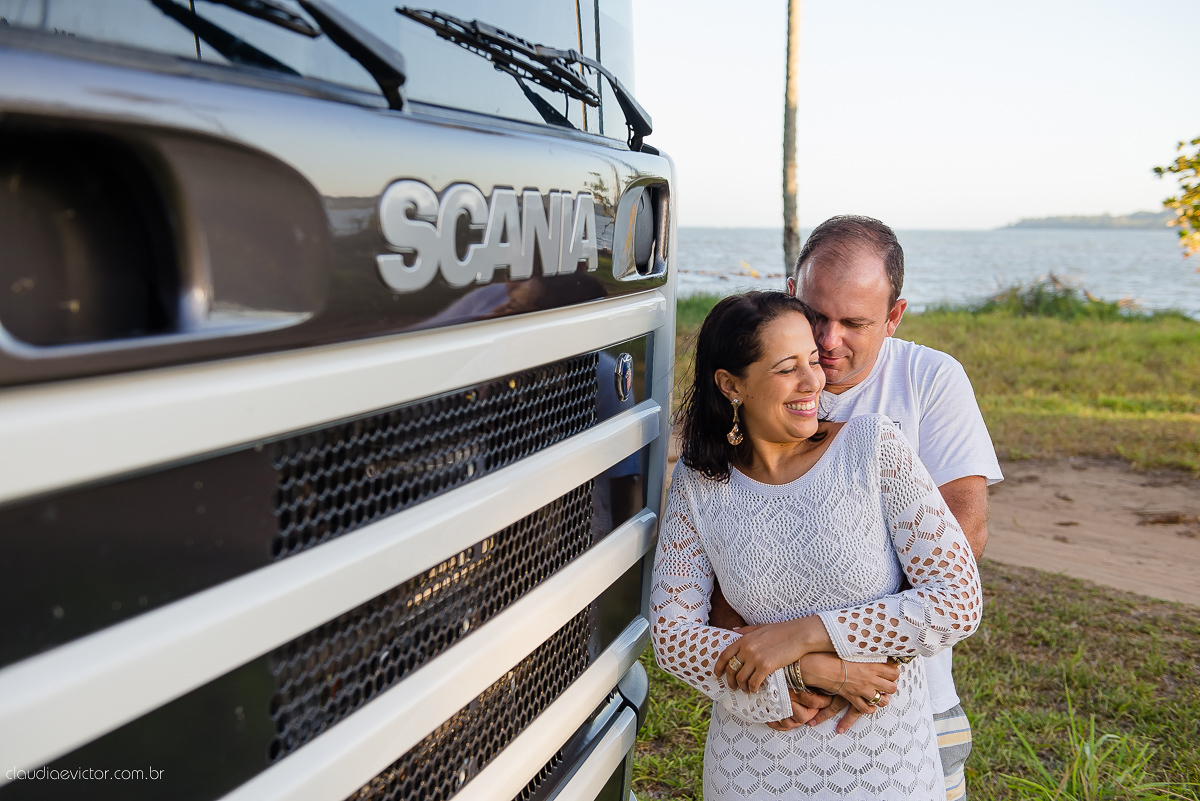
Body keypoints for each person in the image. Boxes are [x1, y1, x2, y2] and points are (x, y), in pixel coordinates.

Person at [710, 215, 1003, 800]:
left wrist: (823, 649)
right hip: (773, 706)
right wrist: (797, 670)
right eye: (815, 314)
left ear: (893, 318)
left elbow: (961, 542)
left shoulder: (928, 381)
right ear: (791, 292)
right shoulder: (751, 394)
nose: (827, 339)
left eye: (854, 322)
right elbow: (715, 567)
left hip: (901, 693)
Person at [651, 291, 982, 800]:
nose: (814, 382)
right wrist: (801, 672)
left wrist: (804, 635)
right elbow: (674, 637)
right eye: (788, 368)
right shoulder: (701, 481)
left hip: (884, 764)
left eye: (813, 360)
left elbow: (957, 600)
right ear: (731, 385)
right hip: (753, 766)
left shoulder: (872, 446)